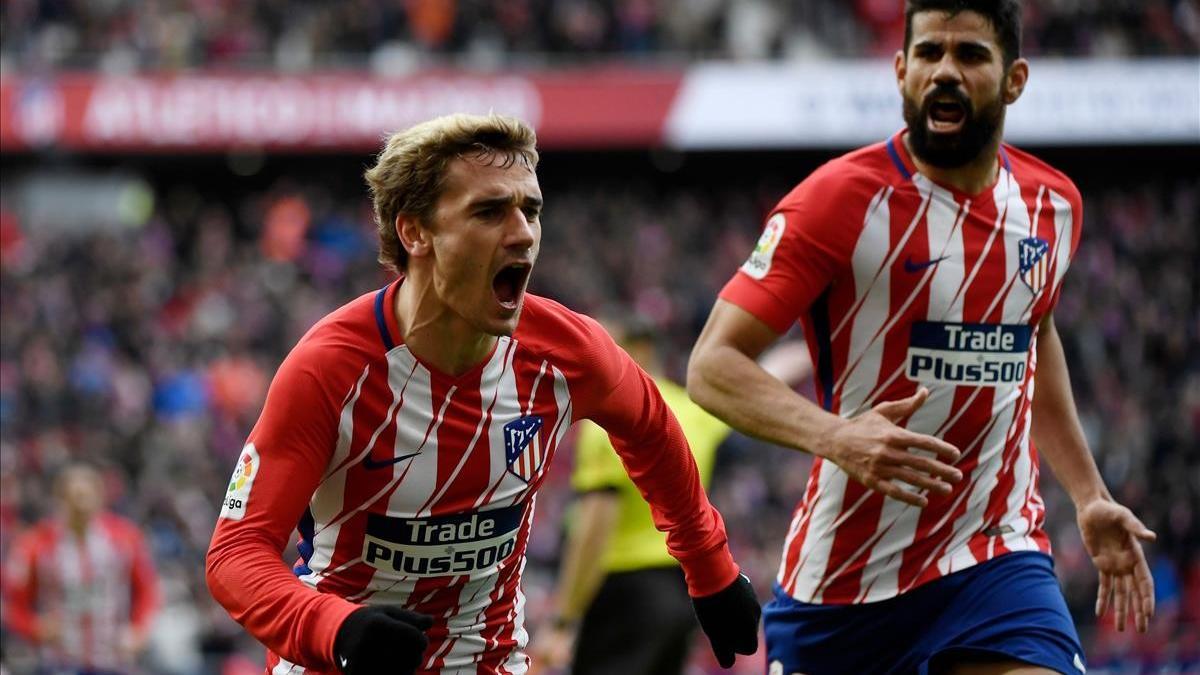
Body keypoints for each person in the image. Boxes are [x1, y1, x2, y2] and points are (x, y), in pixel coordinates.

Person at [686, 2, 1156, 674]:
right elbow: (711, 364)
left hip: (996, 559)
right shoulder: (838, 201)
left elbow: (1034, 330)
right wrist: (836, 436)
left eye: (970, 55)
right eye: (930, 54)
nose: (946, 71)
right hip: (845, 584)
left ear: (1015, 79)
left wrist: (1088, 493)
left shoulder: (1054, 207)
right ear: (901, 70)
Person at [204, 113, 760, 675]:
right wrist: (335, 626)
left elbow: (652, 430)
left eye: (531, 210)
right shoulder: (329, 368)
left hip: (488, 660)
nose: (522, 233)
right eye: (489, 211)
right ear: (415, 232)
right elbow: (235, 554)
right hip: (338, 662)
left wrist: (710, 571)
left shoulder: (570, 351)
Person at [535, 323, 811, 675]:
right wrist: (805, 351)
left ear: (635, 352)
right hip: (681, 594)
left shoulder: (608, 421)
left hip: (623, 595)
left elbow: (595, 523)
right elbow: (766, 376)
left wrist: (563, 619)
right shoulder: (689, 412)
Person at [3, 462, 161, 673]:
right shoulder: (36, 544)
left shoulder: (125, 538)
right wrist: (35, 628)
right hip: (60, 662)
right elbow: (13, 604)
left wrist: (138, 630)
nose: (81, 507)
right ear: (60, 500)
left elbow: (148, 590)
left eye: (86, 497)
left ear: (100, 498)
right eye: (74, 498)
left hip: (114, 659)